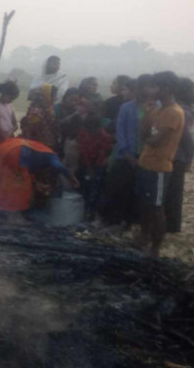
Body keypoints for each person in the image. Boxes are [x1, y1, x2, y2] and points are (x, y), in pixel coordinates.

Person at [136, 71, 185, 256]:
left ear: (168, 88)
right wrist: (147, 114)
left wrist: (148, 136)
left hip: (159, 168)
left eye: (156, 86)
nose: (152, 90)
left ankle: (155, 247)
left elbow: (155, 141)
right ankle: (144, 237)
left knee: (156, 208)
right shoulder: (157, 110)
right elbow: (142, 134)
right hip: (145, 163)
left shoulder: (174, 112)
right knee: (145, 204)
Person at [0, 137, 79, 216]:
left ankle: (7, 213)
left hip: (7, 148)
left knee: (9, 184)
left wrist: (37, 184)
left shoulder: (39, 154)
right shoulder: (52, 156)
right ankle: (15, 217)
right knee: (21, 189)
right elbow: (59, 166)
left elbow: (29, 174)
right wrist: (72, 178)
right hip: (17, 152)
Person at [101, 79, 141, 226]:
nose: (125, 92)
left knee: (133, 192)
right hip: (124, 155)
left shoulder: (154, 108)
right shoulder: (126, 107)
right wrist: (127, 154)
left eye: (127, 89)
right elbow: (121, 132)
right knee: (115, 187)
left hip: (144, 157)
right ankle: (111, 219)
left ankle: (129, 221)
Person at [165, 77, 194, 234]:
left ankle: (171, 226)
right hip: (178, 156)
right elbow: (188, 138)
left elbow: (188, 138)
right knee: (174, 192)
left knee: (171, 191)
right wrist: (189, 157)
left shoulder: (180, 110)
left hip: (173, 155)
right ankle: (172, 225)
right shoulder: (185, 111)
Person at [76, 103, 113, 222]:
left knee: (96, 190)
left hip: (99, 165)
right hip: (87, 164)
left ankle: (93, 213)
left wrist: (94, 168)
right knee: (86, 188)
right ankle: (85, 212)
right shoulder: (84, 133)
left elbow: (105, 153)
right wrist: (89, 167)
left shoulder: (104, 137)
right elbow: (84, 152)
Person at [23, 83, 58, 150]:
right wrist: (44, 147)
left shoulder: (48, 108)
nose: (56, 99)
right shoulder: (36, 111)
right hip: (37, 147)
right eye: (54, 96)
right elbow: (35, 131)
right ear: (47, 96)